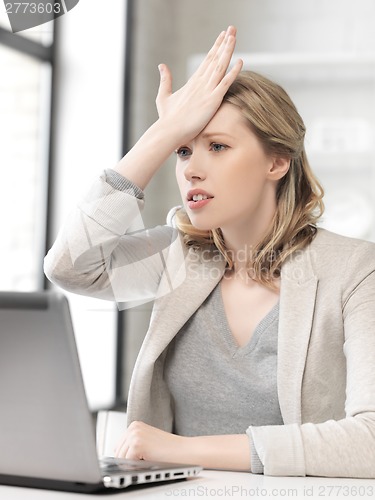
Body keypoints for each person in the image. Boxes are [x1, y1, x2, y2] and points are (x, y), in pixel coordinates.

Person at [44, 26, 375, 477]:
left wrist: (182, 449)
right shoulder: (179, 255)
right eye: (183, 151)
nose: (192, 170)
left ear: (276, 162)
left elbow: (370, 441)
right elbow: (70, 268)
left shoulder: (355, 270)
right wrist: (162, 133)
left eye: (217, 147)